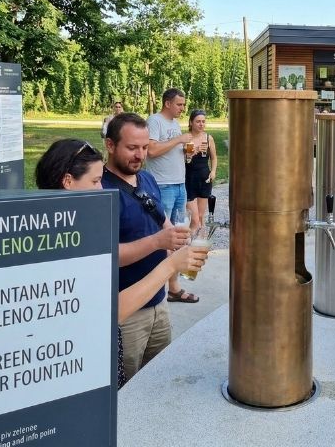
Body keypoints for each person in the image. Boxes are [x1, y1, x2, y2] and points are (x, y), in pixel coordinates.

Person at [35, 137, 207, 387]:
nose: (102, 189)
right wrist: (170, 266)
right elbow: (108, 311)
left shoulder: (64, 227)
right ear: (68, 182)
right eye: (95, 181)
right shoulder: (65, 241)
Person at [101, 113, 195, 381]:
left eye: (144, 148)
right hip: (126, 314)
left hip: (159, 303)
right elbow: (106, 256)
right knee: (126, 387)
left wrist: (179, 239)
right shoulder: (101, 189)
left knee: (158, 380)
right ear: (110, 145)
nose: (140, 155)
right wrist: (157, 243)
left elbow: (163, 223)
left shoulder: (148, 180)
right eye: (131, 148)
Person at [146, 88, 199, 304]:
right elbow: (151, 151)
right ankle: (154, 288)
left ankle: (173, 288)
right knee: (163, 238)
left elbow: (172, 151)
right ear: (168, 103)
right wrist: (178, 140)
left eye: (183, 105)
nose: (182, 108)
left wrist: (187, 152)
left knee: (178, 238)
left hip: (179, 184)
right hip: (162, 185)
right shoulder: (155, 121)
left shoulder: (175, 125)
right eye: (179, 104)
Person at [185, 109, 218, 230]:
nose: (201, 124)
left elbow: (214, 158)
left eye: (203, 121)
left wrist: (213, 171)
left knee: (200, 217)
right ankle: (190, 245)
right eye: (198, 121)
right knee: (194, 219)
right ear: (191, 122)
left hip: (204, 178)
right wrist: (196, 150)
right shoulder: (186, 138)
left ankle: (202, 246)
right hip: (189, 179)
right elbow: (186, 160)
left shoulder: (209, 138)